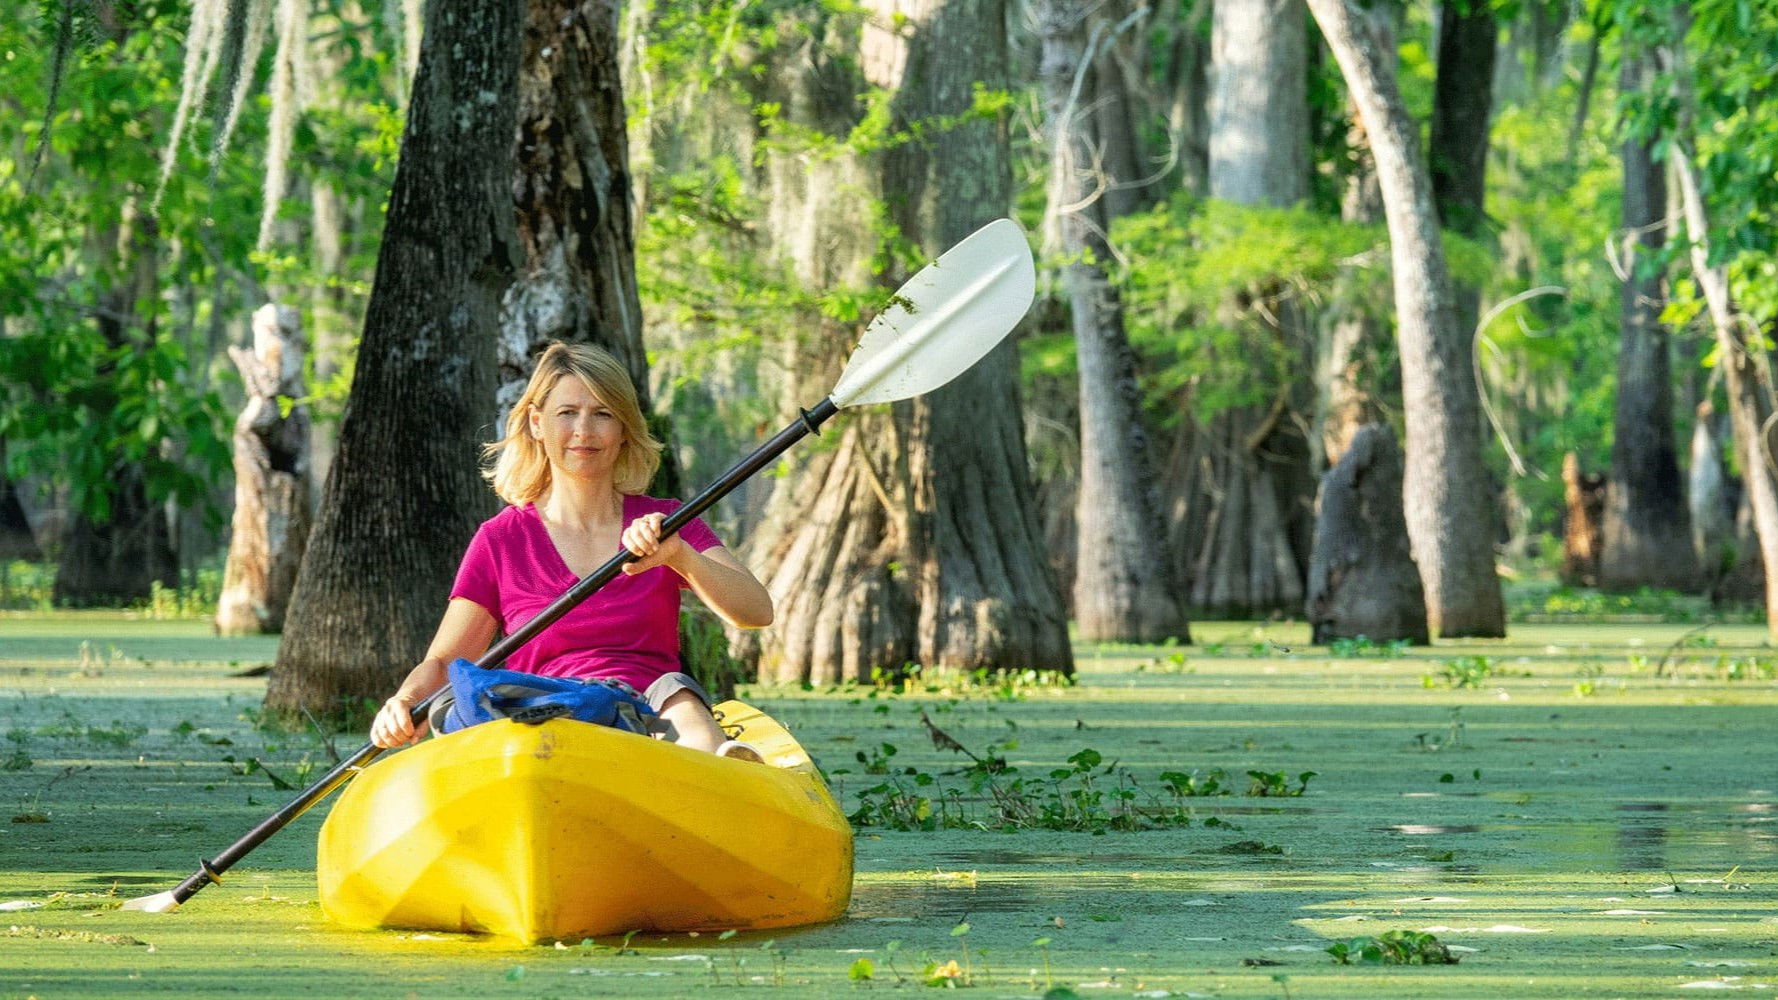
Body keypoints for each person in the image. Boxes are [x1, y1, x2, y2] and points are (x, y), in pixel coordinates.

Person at [369, 342, 773, 757]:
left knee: (681, 699)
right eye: (567, 413)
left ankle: (714, 769)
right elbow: (444, 663)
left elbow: (757, 612)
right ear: (537, 423)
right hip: (543, 711)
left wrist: (681, 557)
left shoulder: (667, 523)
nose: (584, 431)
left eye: (603, 414)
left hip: (650, 704)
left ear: (623, 430)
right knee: (460, 707)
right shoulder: (500, 539)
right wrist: (402, 701)